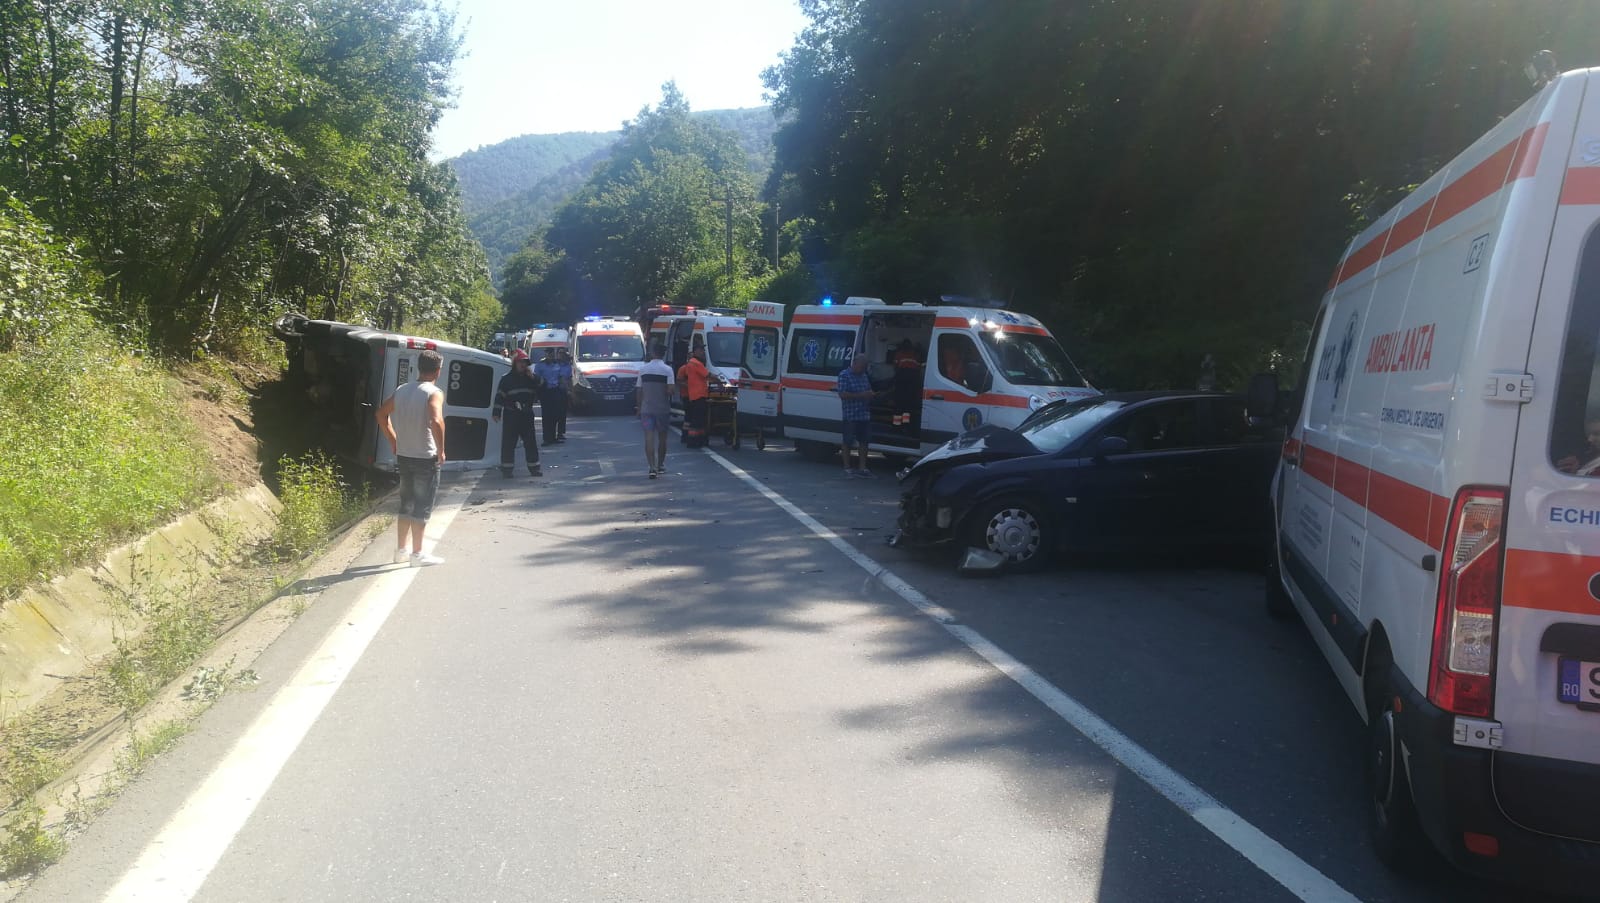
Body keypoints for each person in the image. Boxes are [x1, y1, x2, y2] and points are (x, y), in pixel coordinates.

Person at [375, 349, 446, 567]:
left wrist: (393, 440)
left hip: (404, 455)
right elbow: (436, 421)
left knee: (406, 503)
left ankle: (401, 551)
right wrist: (441, 450)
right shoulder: (434, 392)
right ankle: (417, 554)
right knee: (422, 507)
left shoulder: (402, 390)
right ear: (438, 371)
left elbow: (380, 414)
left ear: (418, 368)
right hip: (425, 456)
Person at [493, 349, 543, 477]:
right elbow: (499, 397)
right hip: (511, 415)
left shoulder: (531, 378)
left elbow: (544, 387)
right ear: (515, 363)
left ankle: (534, 468)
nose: (523, 364)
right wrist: (496, 412)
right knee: (508, 443)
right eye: (520, 362)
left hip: (527, 414)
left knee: (530, 443)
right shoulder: (506, 379)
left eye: (525, 362)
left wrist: (534, 378)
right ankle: (507, 470)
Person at [637, 343, 675, 477]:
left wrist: (638, 407)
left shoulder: (643, 369)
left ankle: (652, 467)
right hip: (662, 410)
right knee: (662, 438)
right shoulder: (668, 370)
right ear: (663, 355)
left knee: (649, 437)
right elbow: (671, 391)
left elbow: (639, 390)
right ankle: (660, 465)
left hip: (646, 410)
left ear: (653, 353)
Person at [837, 351, 875, 477]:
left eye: (865, 367)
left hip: (864, 415)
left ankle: (862, 468)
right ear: (855, 363)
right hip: (851, 415)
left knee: (864, 441)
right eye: (862, 367)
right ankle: (847, 468)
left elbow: (868, 389)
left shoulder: (864, 375)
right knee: (847, 441)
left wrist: (871, 394)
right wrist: (862, 395)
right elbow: (843, 394)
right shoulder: (844, 375)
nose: (863, 369)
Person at [676, 345, 713, 445]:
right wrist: (690, 386)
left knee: (691, 418)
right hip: (687, 395)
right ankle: (688, 438)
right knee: (691, 418)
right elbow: (679, 381)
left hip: (692, 395)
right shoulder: (684, 368)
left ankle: (689, 437)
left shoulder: (692, 366)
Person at [534, 348, 564, 447]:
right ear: (546, 354)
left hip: (555, 391)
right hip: (545, 392)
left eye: (551, 353)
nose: (550, 355)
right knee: (547, 416)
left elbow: (560, 377)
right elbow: (536, 378)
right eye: (548, 353)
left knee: (555, 415)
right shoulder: (540, 365)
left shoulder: (557, 364)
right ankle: (546, 439)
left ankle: (553, 437)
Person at [553, 348, 573, 441]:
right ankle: (552, 433)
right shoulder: (553, 364)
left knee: (562, 413)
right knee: (553, 413)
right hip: (553, 391)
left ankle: (560, 433)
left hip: (563, 391)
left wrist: (570, 391)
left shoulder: (568, 366)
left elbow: (569, 379)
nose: (561, 355)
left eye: (563, 353)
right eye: (560, 353)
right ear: (557, 354)